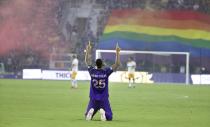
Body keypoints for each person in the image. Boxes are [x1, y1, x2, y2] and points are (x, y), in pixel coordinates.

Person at [84, 42, 120, 121]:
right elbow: (117, 64)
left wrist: (88, 51)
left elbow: (87, 61)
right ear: (102, 64)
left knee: (87, 116)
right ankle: (103, 112)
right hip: (103, 98)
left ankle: (90, 111)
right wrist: (117, 52)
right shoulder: (106, 72)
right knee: (109, 117)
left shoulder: (92, 71)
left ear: (96, 64)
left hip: (93, 98)